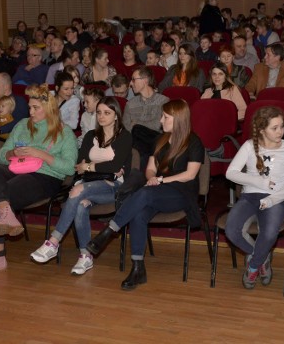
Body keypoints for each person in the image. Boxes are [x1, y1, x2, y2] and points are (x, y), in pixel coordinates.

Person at [86, 99, 205, 290]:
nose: (161, 120)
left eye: (165, 117)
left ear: (178, 119)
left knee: (145, 195)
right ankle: (138, 268)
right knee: (139, 213)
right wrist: (152, 178)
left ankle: (109, 231)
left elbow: (190, 175)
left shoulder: (193, 142)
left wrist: (160, 180)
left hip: (182, 193)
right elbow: (150, 169)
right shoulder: (161, 139)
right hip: (157, 190)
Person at [0, 84, 77, 275]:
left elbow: (68, 167)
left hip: (46, 177)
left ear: (49, 109)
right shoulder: (22, 125)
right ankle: (6, 214)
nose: (31, 112)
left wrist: (40, 154)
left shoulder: (63, 131)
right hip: (18, 168)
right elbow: (2, 156)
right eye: (30, 107)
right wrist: (13, 152)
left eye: (36, 108)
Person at [30, 97, 132, 274]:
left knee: (77, 190)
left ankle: (53, 242)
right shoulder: (91, 136)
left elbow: (115, 167)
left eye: (107, 113)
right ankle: (85, 256)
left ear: (116, 115)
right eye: (99, 112)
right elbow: (79, 166)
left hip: (114, 187)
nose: (101, 116)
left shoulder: (125, 136)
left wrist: (90, 166)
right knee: (80, 205)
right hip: (90, 185)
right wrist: (92, 168)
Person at [225, 106, 284, 289]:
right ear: (262, 129)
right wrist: (260, 182)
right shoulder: (249, 145)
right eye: (275, 128)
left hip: (276, 199)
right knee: (231, 230)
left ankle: (254, 266)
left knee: (269, 232)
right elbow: (231, 173)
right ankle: (261, 256)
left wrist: (272, 199)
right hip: (250, 196)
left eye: (282, 126)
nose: (280, 131)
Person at [123, 66, 170, 170]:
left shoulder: (163, 101)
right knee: (136, 134)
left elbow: (158, 125)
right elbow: (127, 129)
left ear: (145, 80)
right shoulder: (130, 104)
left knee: (137, 129)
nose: (130, 83)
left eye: (133, 79)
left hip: (156, 143)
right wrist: (137, 127)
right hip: (138, 147)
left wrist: (136, 123)